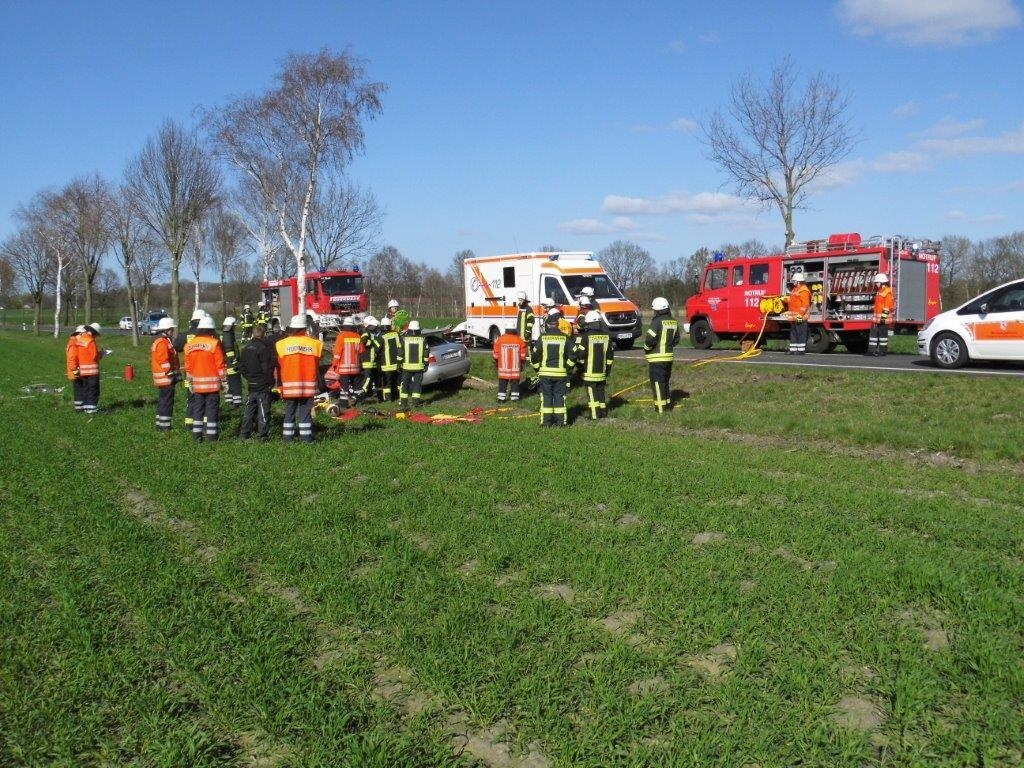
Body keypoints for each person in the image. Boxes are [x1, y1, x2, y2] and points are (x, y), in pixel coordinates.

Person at [275, 314, 324, 443]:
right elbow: (319, 360)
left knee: (289, 411)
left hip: (289, 386)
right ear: (305, 328)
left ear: (291, 328)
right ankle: (306, 438)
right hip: (308, 386)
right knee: (305, 411)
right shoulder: (315, 344)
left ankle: (287, 439)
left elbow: (279, 363)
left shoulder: (281, 344)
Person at [183, 315, 227, 442]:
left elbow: (188, 367)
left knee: (197, 410)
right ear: (211, 330)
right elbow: (220, 365)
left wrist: (190, 382)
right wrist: (224, 381)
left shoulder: (189, 345)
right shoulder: (214, 344)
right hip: (212, 386)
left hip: (197, 386)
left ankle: (197, 436)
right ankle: (211, 437)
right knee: (211, 410)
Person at [532, 308, 575, 426]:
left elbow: (535, 355)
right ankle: (561, 423)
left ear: (547, 325)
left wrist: (537, 368)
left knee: (546, 397)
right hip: (561, 374)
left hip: (545, 373)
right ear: (557, 325)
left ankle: (546, 423)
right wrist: (568, 368)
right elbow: (574, 354)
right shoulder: (565, 338)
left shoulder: (542, 338)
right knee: (560, 397)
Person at [239, 324, 276, 441]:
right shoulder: (264, 349)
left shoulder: (245, 348)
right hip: (262, 384)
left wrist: (249, 377)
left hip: (251, 383)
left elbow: (241, 367)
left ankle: (245, 434)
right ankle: (263, 435)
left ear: (253, 334)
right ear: (263, 335)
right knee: (263, 410)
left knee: (249, 410)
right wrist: (270, 381)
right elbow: (267, 368)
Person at [574, 310, 613, 419]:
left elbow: (581, 355)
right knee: (601, 392)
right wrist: (608, 369)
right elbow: (610, 356)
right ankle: (603, 414)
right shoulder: (606, 336)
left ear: (589, 323)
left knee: (592, 394)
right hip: (602, 371)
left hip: (589, 372)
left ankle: (594, 415)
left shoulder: (586, 336)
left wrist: (580, 366)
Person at [644, 297, 679, 414]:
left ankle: (660, 410)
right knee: (665, 383)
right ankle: (667, 406)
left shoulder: (656, 321)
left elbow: (649, 339)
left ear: (656, 309)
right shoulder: (673, 321)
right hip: (668, 358)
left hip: (656, 359)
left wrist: (647, 349)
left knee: (657, 384)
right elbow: (676, 340)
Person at [175, 309, 207, 429]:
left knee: (191, 398)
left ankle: (189, 424)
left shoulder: (184, 335)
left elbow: (176, 346)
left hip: (189, 372)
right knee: (206, 398)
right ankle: (204, 423)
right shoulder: (208, 334)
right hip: (205, 372)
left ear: (192, 321)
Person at [150, 317, 179, 431]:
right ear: (166, 330)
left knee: (163, 402)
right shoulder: (162, 342)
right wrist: (171, 374)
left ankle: (160, 424)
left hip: (163, 378)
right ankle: (165, 427)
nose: (172, 331)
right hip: (166, 378)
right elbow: (164, 361)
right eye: (171, 329)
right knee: (167, 402)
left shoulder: (161, 341)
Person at [330, 316, 363, 405]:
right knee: (357, 386)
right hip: (355, 367)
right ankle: (360, 401)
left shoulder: (341, 335)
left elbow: (337, 352)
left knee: (345, 387)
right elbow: (361, 351)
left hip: (344, 368)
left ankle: (344, 403)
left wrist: (334, 364)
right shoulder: (357, 336)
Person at [493, 322, 528, 403]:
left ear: (506, 329)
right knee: (515, 382)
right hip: (515, 366)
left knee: (503, 382)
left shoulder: (500, 339)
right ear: (514, 330)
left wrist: (496, 362)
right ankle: (514, 398)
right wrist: (522, 363)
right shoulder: (519, 340)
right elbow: (523, 354)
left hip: (503, 367)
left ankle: (501, 399)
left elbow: (495, 354)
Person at [397, 320, 427, 410]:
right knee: (417, 385)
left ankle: (403, 403)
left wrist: (398, 364)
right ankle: (415, 403)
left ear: (409, 329)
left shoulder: (404, 338)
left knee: (405, 385)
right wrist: (426, 364)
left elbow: (400, 354)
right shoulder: (423, 339)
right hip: (419, 367)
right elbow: (426, 353)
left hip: (407, 367)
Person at [76, 322, 105, 415]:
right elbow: (94, 356)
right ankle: (92, 410)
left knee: (86, 389)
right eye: (96, 335)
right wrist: (102, 354)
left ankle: (86, 407)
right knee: (93, 390)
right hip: (92, 371)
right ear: (94, 332)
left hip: (82, 371)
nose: (96, 337)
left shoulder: (80, 340)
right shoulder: (91, 341)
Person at [868, 272, 895, 356]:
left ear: (882, 282)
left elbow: (887, 307)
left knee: (883, 336)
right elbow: (878, 305)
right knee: (873, 334)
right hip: (877, 319)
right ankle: (871, 351)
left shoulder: (887, 292)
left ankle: (883, 351)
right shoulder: (880, 291)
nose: (876, 284)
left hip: (883, 319)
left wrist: (883, 319)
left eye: (877, 282)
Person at [377, 317, 401, 402]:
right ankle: (399, 396)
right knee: (398, 381)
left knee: (387, 382)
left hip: (386, 364)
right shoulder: (396, 334)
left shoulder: (381, 336)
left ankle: (388, 399)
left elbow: (377, 349)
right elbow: (401, 346)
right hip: (397, 363)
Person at [787, 273, 811, 355]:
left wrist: (799, 315)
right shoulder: (795, 289)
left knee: (800, 332)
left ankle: (801, 350)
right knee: (793, 332)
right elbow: (793, 301)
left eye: (794, 280)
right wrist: (785, 299)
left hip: (800, 316)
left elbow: (805, 305)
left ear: (798, 281)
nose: (793, 282)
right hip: (794, 317)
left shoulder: (804, 291)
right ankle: (793, 350)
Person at [359, 315, 382, 401]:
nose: (376, 328)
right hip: (367, 359)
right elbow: (364, 341)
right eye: (375, 326)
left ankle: (370, 393)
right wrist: (372, 343)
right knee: (368, 377)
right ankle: (362, 393)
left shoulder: (372, 333)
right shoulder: (366, 331)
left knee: (373, 377)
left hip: (372, 359)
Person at [222, 316, 244, 407]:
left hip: (227, 364)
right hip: (231, 365)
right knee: (235, 383)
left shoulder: (225, 334)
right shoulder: (228, 335)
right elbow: (229, 350)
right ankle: (237, 403)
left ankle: (229, 401)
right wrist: (235, 362)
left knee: (230, 383)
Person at [65, 325, 86, 412]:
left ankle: (80, 408)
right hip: (76, 372)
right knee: (79, 391)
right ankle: (79, 409)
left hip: (76, 371)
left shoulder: (75, 342)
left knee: (79, 390)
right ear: (80, 334)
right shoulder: (73, 344)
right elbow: (72, 361)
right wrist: (77, 373)